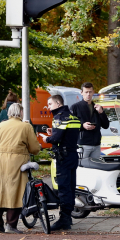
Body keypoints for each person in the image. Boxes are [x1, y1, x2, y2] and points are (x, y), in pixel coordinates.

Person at [0, 103, 41, 233]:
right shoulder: (26, 126)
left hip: (0, 161)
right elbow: (34, 148)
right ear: (21, 112)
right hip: (17, 162)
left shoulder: (0, 126)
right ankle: (11, 225)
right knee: (16, 192)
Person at [45, 94, 81, 231]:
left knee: (64, 188)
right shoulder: (73, 117)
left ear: (58, 104)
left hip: (63, 157)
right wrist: (54, 131)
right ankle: (68, 216)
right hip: (72, 155)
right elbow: (69, 134)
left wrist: (47, 139)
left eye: (50, 104)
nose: (48, 107)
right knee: (71, 187)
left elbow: (56, 139)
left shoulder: (59, 117)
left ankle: (64, 219)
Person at [70, 82, 110, 160]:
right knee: (82, 166)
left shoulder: (98, 107)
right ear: (81, 93)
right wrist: (82, 125)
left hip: (96, 145)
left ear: (93, 92)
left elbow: (106, 125)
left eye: (90, 92)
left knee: (95, 167)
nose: (88, 94)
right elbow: (70, 125)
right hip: (82, 144)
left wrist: (101, 112)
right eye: (86, 92)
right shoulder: (75, 107)